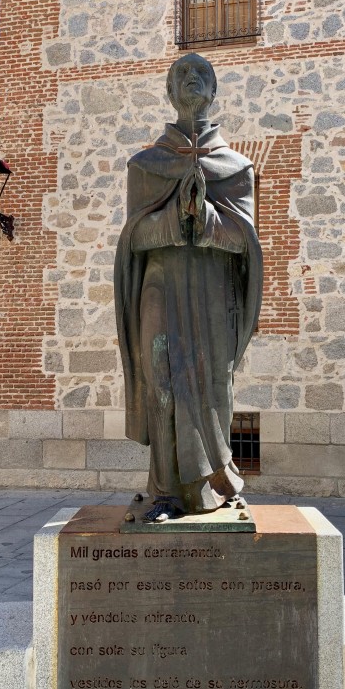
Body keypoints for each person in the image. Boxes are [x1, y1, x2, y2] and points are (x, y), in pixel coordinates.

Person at [114, 54, 262, 521]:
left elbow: (245, 242)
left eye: (200, 74)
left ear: (213, 90)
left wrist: (208, 218)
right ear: (170, 92)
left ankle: (215, 484)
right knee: (162, 381)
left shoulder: (235, 168)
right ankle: (165, 493)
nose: (191, 79)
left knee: (214, 381)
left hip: (214, 291)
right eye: (181, 74)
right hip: (161, 287)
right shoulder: (146, 165)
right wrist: (176, 221)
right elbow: (134, 237)